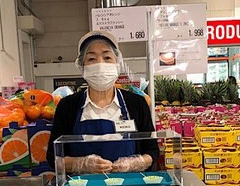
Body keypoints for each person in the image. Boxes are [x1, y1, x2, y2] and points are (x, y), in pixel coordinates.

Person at [46, 30, 158, 174]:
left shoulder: (136, 103)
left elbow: (152, 151)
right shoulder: (67, 106)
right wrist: (81, 164)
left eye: (107, 57)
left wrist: (136, 163)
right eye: (91, 59)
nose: (100, 64)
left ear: (117, 63)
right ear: (82, 66)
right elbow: (53, 158)